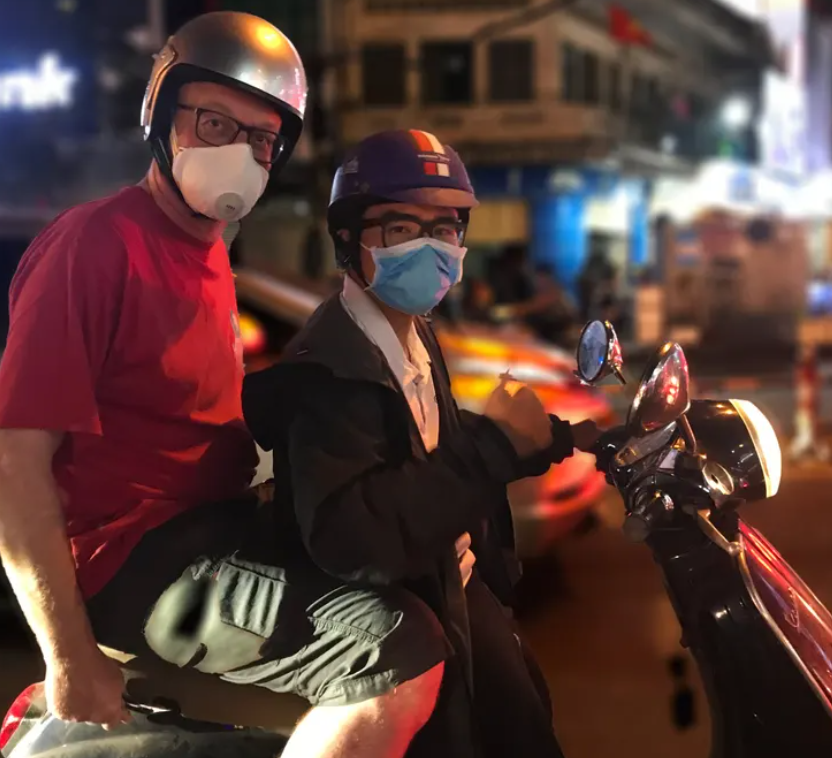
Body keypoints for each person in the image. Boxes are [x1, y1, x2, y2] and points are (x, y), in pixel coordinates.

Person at [0, 13, 449, 758]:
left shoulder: (207, 256)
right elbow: (10, 460)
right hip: (135, 558)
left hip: (213, 526)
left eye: (263, 139)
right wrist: (66, 655)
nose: (242, 152)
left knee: (414, 574)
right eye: (215, 124)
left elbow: (194, 419)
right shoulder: (94, 245)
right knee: (393, 653)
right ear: (162, 117)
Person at [242, 129, 598, 757]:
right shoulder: (329, 372)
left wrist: (558, 440)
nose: (430, 248)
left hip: (455, 583)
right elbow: (353, 537)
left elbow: (432, 448)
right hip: (412, 616)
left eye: (444, 228)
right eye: (401, 229)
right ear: (349, 241)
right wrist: (493, 446)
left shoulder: (412, 332)